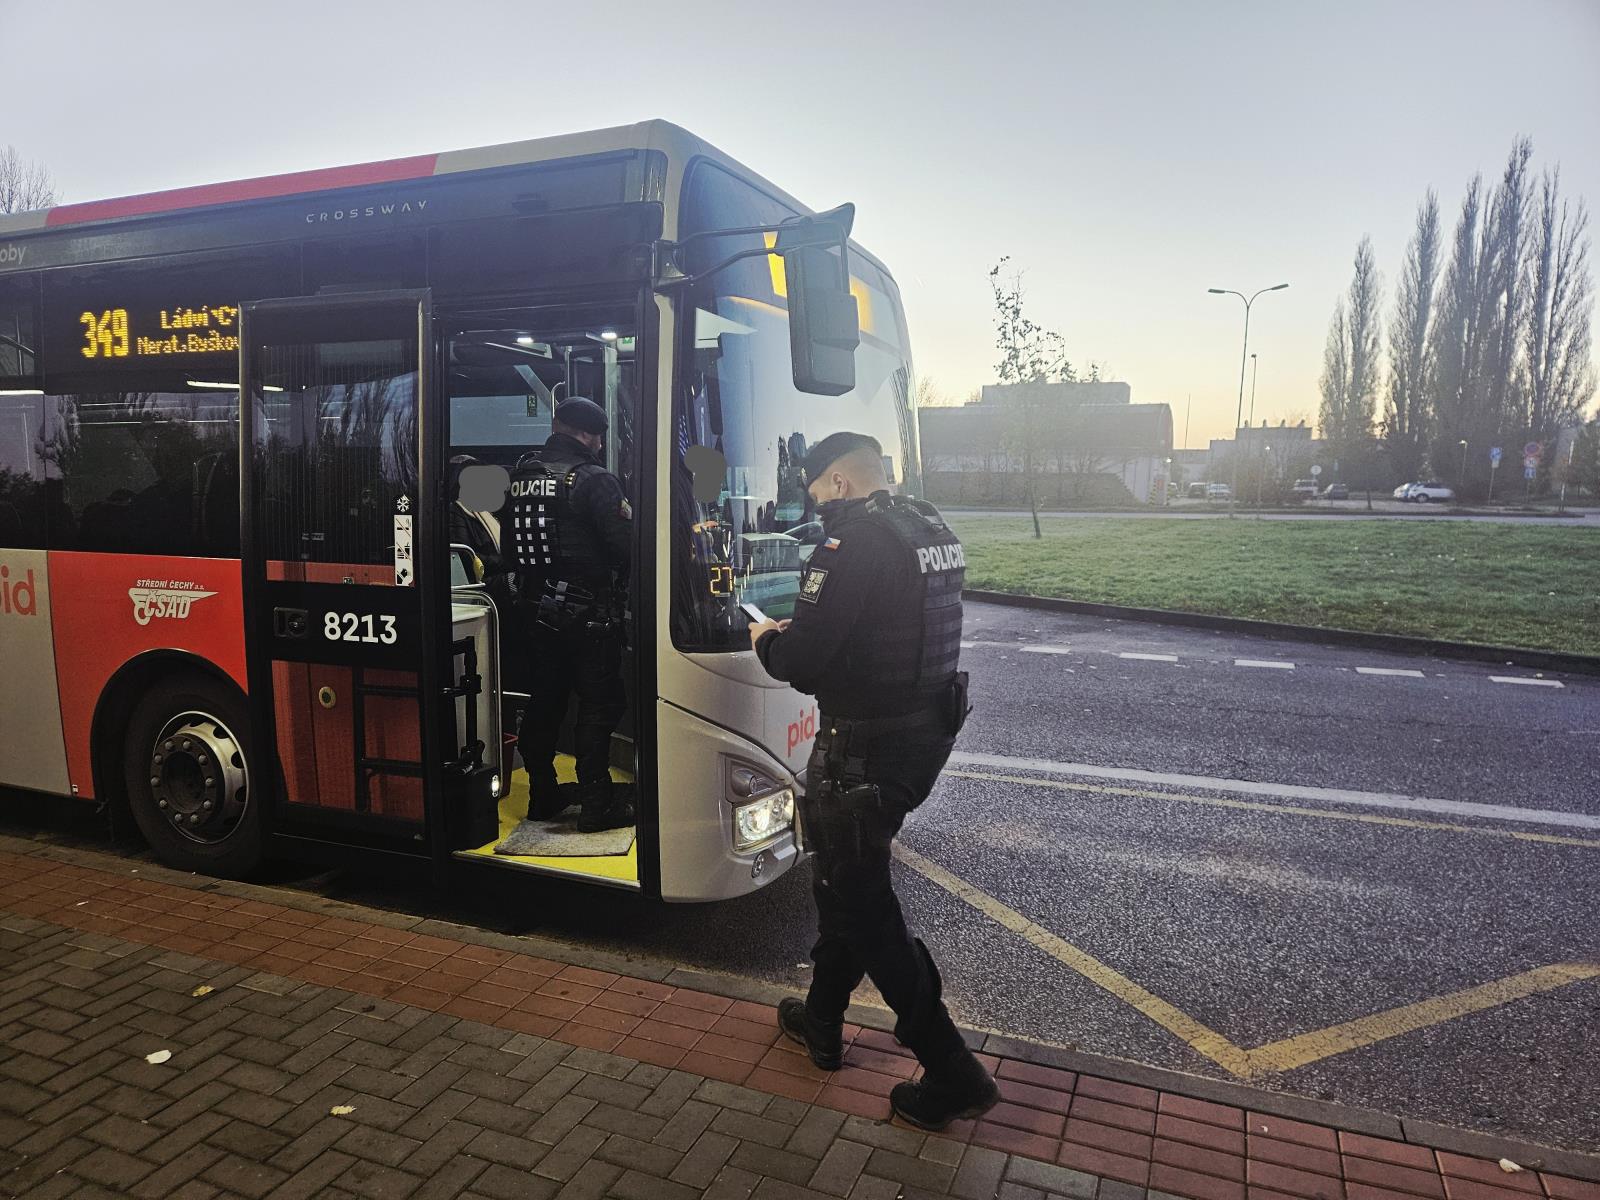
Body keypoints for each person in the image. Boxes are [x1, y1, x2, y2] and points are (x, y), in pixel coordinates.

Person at [749, 431, 996, 1131]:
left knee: (865, 908)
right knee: (842, 882)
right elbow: (897, 624)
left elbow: (804, 659)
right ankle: (823, 1019)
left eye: (817, 489)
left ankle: (951, 1070)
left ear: (835, 483)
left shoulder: (850, 544)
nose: (816, 503)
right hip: (922, 737)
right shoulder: (927, 525)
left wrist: (767, 637)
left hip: (863, 751)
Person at [504, 398, 634, 834]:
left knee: (546, 701)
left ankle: (544, 793)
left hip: (534, 611)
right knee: (599, 705)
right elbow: (626, 548)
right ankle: (597, 801)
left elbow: (511, 549)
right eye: (598, 436)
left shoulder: (522, 474)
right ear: (589, 435)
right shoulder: (595, 480)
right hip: (587, 614)